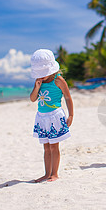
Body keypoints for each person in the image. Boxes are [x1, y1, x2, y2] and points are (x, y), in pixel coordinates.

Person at [30, 49, 74, 182]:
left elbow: (67, 97)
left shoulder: (58, 80)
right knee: (46, 147)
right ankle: (46, 173)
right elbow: (32, 99)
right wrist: (37, 87)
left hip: (55, 116)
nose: (41, 76)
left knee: (54, 146)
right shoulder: (39, 82)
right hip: (42, 118)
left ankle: (54, 173)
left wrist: (71, 115)